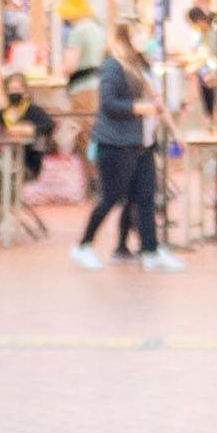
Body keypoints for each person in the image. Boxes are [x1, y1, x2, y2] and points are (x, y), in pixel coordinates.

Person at [74, 27, 169, 269]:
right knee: (111, 197)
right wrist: (139, 108)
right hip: (115, 144)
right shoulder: (113, 66)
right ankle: (84, 245)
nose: (144, 39)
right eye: (139, 34)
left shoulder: (140, 65)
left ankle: (150, 251)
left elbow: (156, 99)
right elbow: (109, 104)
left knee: (145, 197)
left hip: (142, 144)